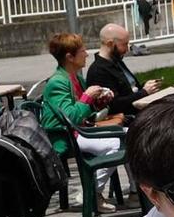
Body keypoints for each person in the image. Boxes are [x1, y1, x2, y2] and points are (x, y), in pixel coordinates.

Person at [34, 31, 119, 201]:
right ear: (70, 57)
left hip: (81, 130)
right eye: (82, 51)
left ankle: (131, 191)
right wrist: (88, 97)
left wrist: (98, 102)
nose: (87, 54)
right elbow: (70, 117)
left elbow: (83, 110)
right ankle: (91, 192)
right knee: (116, 145)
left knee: (131, 134)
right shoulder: (58, 81)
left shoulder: (75, 77)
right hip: (65, 137)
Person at [84, 22, 162, 119]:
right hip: (129, 118)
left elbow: (129, 90)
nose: (127, 49)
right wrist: (144, 92)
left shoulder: (117, 61)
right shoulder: (98, 71)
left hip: (139, 112)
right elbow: (114, 105)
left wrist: (146, 87)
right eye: (124, 44)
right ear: (110, 44)